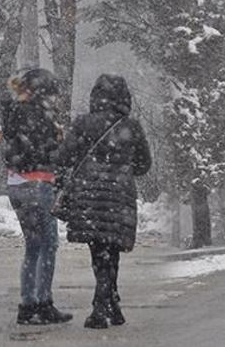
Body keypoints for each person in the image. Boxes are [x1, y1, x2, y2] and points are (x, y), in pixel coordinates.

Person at [55, 74, 152, 329]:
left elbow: (64, 157)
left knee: (98, 250)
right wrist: (121, 167)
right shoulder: (131, 127)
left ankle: (104, 304)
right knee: (112, 248)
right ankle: (108, 302)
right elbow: (144, 165)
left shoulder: (83, 124)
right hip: (118, 196)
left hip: (88, 195)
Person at [1, 68, 72, 325]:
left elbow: (15, 151)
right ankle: (42, 302)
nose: (54, 100)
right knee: (47, 244)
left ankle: (27, 303)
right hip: (37, 185)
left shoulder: (13, 112)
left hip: (17, 186)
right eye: (51, 95)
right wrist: (58, 141)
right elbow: (43, 154)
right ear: (42, 92)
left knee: (33, 246)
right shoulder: (36, 115)